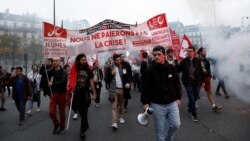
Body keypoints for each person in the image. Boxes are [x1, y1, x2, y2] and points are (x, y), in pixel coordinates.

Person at [141, 46, 182, 141]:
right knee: (160, 131)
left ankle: (168, 137)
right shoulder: (149, 70)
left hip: (172, 103)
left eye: (159, 54)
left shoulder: (171, 68)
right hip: (157, 105)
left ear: (164, 55)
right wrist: (145, 102)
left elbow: (177, 84)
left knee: (176, 125)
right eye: (154, 55)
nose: (156, 57)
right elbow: (145, 87)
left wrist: (178, 98)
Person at [67, 53, 96, 139]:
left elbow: (91, 82)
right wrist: (70, 87)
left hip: (86, 95)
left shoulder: (88, 70)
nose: (84, 61)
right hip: (76, 95)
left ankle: (82, 131)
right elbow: (70, 80)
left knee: (84, 113)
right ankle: (85, 124)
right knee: (81, 112)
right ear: (78, 61)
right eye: (82, 60)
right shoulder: (74, 70)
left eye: (85, 60)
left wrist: (94, 93)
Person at [107, 54, 131, 129]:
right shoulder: (110, 67)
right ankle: (114, 122)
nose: (119, 61)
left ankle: (121, 116)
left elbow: (127, 76)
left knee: (121, 104)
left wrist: (128, 83)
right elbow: (107, 79)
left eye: (119, 60)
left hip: (122, 89)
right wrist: (111, 74)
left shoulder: (123, 66)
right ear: (114, 60)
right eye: (117, 60)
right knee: (114, 106)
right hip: (114, 89)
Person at [197, 47, 223, 111]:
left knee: (209, 92)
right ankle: (191, 105)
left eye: (205, 51)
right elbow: (202, 71)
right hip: (200, 79)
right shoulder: (198, 60)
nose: (205, 52)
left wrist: (210, 75)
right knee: (196, 93)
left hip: (207, 78)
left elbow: (208, 68)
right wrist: (202, 81)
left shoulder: (205, 59)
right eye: (204, 51)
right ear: (200, 52)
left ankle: (213, 106)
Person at [48, 57, 68, 134]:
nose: (55, 62)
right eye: (54, 61)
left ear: (60, 62)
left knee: (62, 112)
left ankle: (62, 126)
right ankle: (56, 124)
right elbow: (43, 73)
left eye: (56, 61)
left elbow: (62, 81)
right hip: (53, 94)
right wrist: (44, 66)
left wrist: (52, 83)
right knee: (51, 112)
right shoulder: (50, 71)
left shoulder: (64, 71)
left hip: (62, 94)